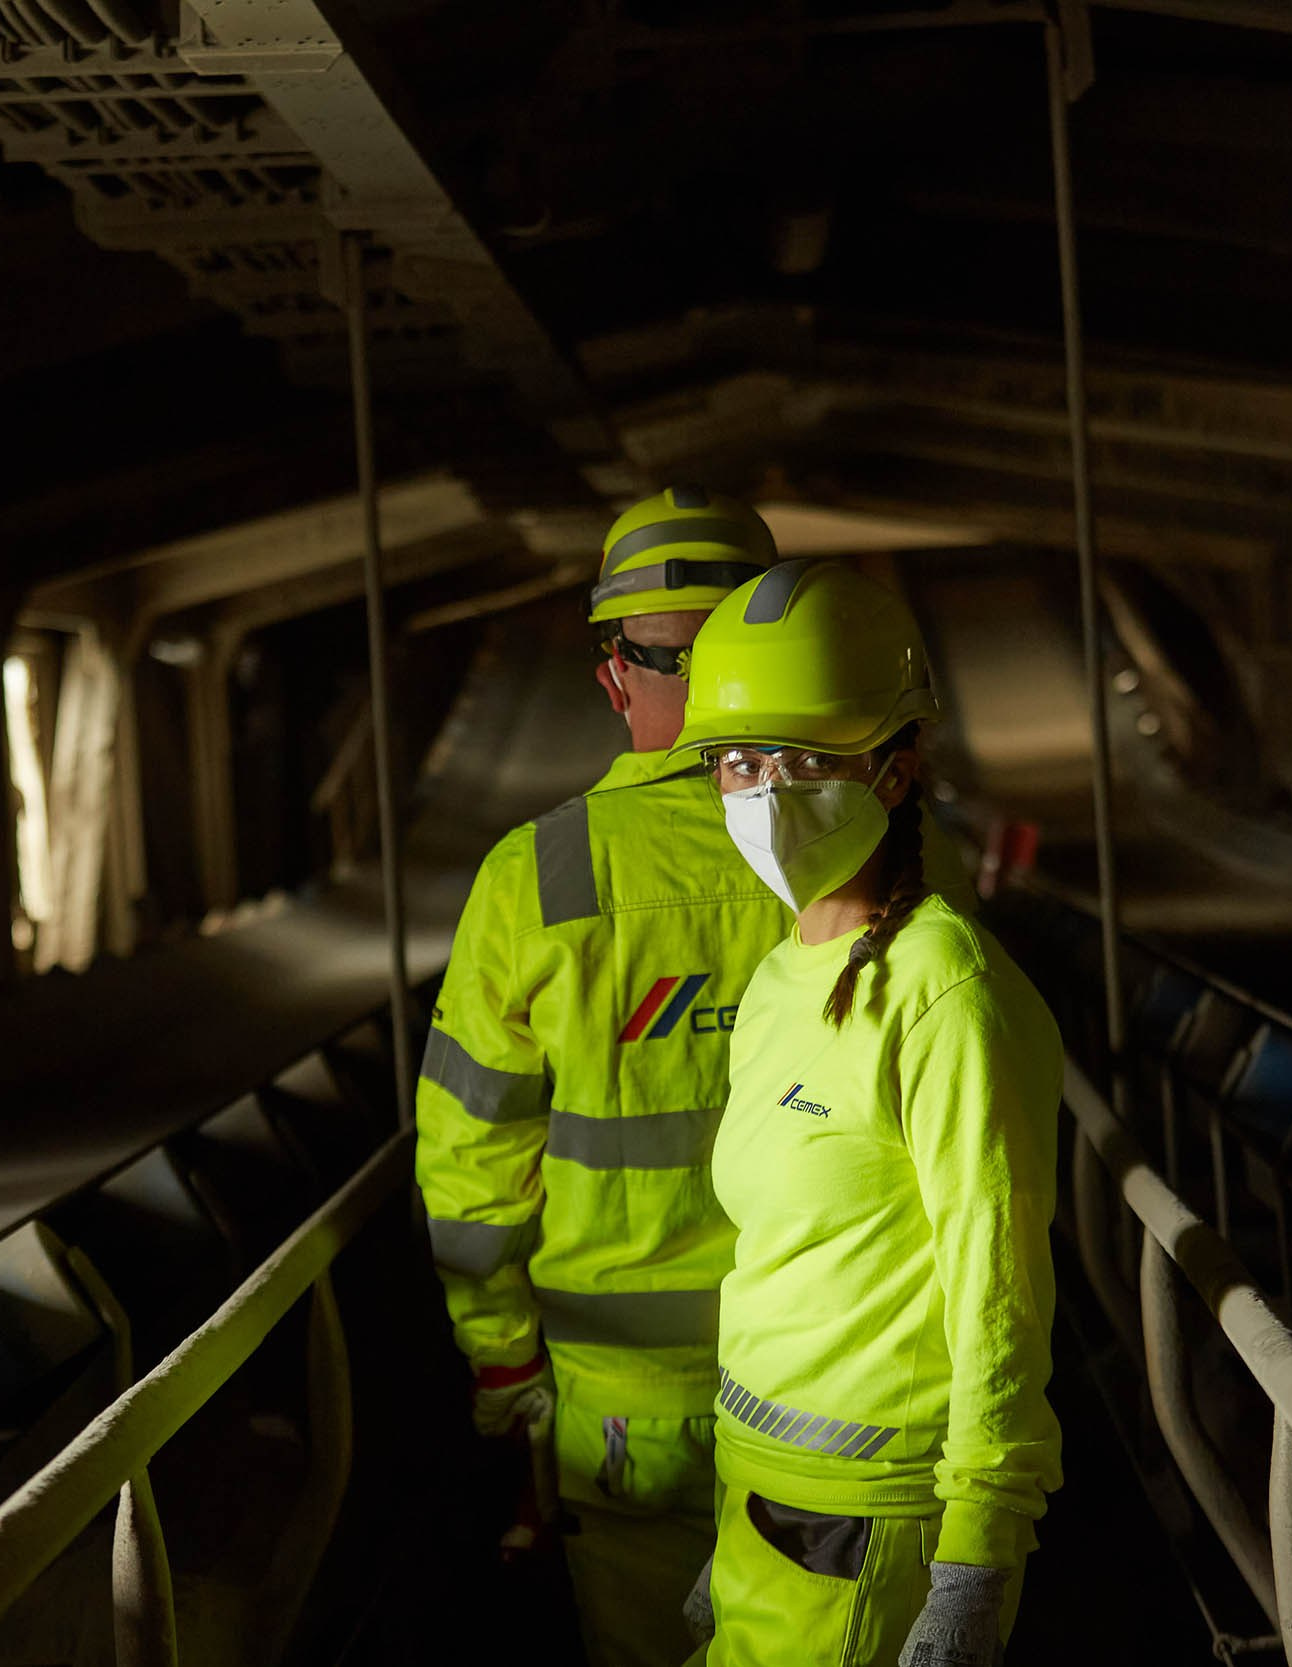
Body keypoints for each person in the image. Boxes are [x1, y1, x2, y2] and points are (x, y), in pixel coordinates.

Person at [414, 486, 791, 1667]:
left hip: (620, 1405)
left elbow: (470, 1168)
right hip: (837, 1386)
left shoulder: (534, 881)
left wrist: (503, 1362)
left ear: (615, 675)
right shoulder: (873, 857)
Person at [672, 559, 1063, 1667]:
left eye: (799, 759)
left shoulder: (946, 990)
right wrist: (732, 1515)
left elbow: (1000, 1294)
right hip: (762, 1491)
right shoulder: (780, 973)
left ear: (893, 772)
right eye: (736, 762)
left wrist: (973, 1562)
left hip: (869, 1521)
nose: (760, 793)